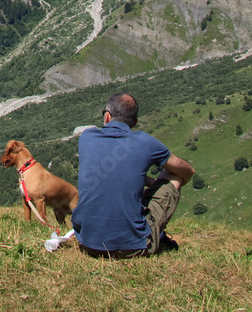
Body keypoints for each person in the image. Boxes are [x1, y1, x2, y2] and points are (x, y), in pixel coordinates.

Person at [71, 91, 194, 258]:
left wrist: (148, 182)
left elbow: (115, 171)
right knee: (175, 176)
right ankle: (156, 234)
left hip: (88, 243)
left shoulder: (86, 137)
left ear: (107, 116)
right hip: (132, 248)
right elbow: (186, 170)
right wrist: (157, 184)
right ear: (134, 122)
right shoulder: (145, 141)